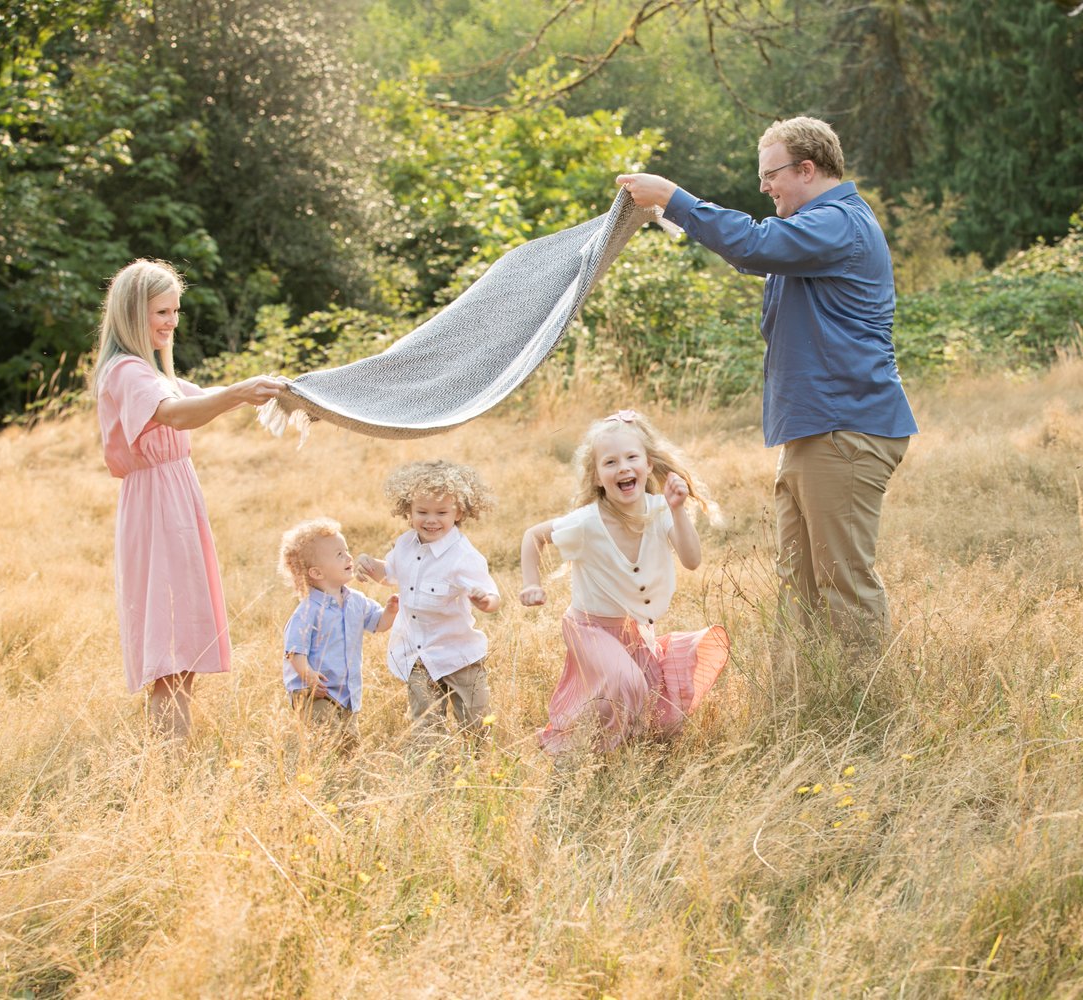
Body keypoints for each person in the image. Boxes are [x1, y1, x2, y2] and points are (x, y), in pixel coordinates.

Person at [617, 117, 917, 649]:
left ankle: (868, 715)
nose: (764, 187)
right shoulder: (813, 235)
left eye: (770, 174)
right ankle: (809, 706)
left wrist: (676, 197)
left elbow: (753, 245)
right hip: (813, 431)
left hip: (844, 428)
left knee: (843, 585)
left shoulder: (839, 223)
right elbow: (756, 253)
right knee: (798, 586)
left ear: (807, 168)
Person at [91, 259, 288, 740]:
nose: (172, 322)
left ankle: (172, 763)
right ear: (132, 313)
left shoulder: (151, 371)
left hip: (173, 501)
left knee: (182, 653)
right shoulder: (127, 371)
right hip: (158, 507)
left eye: (175, 311)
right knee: (172, 651)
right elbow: (176, 414)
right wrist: (239, 392)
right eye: (162, 311)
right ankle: (168, 769)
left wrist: (260, 389)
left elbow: (201, 396)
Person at [519, 410, 728, 753]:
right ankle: (577, 749)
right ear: (598, 477)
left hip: (634, 630)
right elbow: (533, 536)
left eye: (632, 458)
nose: (623, 468)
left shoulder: (661, 511)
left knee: (654, 708)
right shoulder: (587, 522)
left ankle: (619, 751)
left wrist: (678, 509)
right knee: (625, 682)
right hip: (588, 627)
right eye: (610, 462)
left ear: (648, 465)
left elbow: (692, 560)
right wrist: (531, 583)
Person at [354, 460, 501, 739]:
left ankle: (479, 768)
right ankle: (432, 771)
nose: (431, 520)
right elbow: (390, 574)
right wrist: (368, 564)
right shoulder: (405, 544)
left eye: (441, 512)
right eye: (422, 512)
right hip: (417, 655)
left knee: (476, 724)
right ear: (407, 511)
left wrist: (485, 601)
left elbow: (493, 597)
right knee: (425, 725)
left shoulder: (462, 556)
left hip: (458, 655)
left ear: (459, 512)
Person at [278, 519, 399, 748]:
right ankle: (313, 773)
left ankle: (342, 779)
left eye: (347, 551)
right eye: (339, 555)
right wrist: (308, 675)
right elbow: (294, 651)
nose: (349, 557)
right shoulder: (307, 610)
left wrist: (390, 611)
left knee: (349, 744)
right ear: (316, 572)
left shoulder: (356, 601)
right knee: (327, 741)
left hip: (346, 692)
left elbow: (377, 624)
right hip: (315, 692)